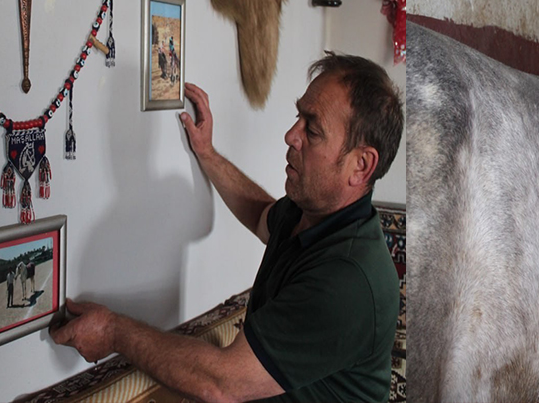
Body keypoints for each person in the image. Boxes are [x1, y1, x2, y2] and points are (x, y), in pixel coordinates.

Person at [51, 52, 404, 402]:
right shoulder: (308, 215)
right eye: (298, 117)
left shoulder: (348, 278)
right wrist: (208, 153)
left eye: (311, 129)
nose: (290, 135)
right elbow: (261, 214)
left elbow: (223, 384)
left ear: (361, 165)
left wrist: (114, 332)